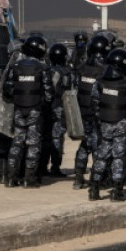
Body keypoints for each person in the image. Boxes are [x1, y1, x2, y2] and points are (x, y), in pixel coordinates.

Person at [1, 34, 54, 188]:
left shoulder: (15, 67)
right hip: (35, 110)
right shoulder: (42, 68)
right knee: (33, 144)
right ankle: (29, 179)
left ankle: (11, 178)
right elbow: (49, 93)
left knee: (17, 143)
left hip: (19, 109)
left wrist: (16, 101)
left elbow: (7, 89)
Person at [89, 48, 126, 201]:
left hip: (104, 123)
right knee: (118, 158)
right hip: (121, 123)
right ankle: (117, 191)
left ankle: (93, 190)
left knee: (101, 156)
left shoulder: (99, 82)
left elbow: (94, 102)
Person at [72, 35, 109, 189]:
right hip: (98, 114)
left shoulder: (81, 68)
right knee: (98, 146)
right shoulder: (105, 70)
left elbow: (73, 90)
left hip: (83, 113)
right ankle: (97, 180)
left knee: (85, 145)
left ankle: (79, 178)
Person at [45, 42, 73, 177]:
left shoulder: (45, 70)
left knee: (44, 137)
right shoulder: (67, 73)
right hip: (58, 109)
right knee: (57, 138)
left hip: (45, 109)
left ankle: (42, 166)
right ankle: (55, 166)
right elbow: (70, 92)